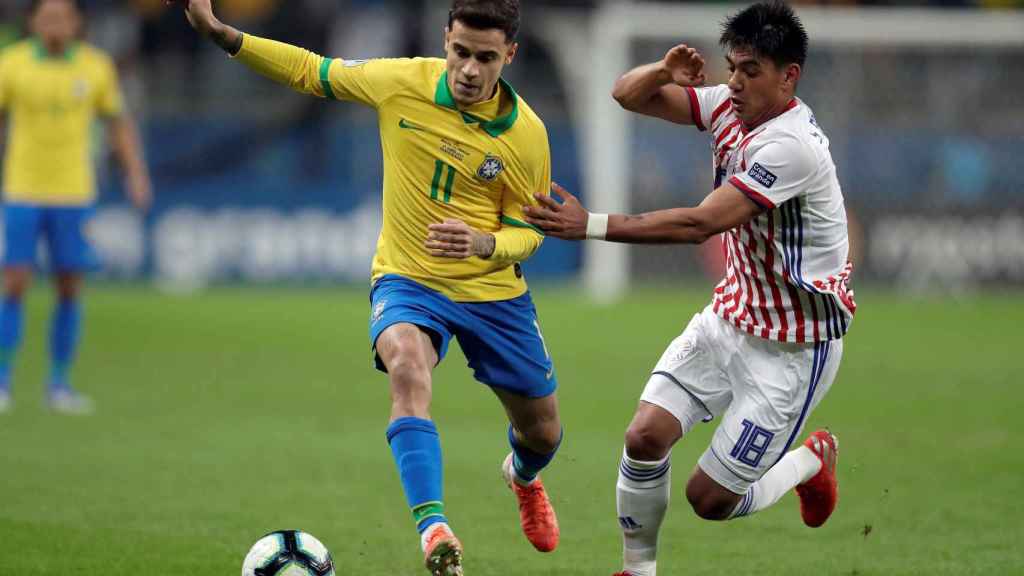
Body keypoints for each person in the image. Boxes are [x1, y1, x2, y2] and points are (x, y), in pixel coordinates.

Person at [168, 1, 561, 574]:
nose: (470, 70)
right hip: (408, 278)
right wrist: (225, 35)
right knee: (405, 363)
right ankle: (434, 528)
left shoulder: (527, 135)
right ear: (444, 40)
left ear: (510, 56)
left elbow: (528, 232)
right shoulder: (401, 82)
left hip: (492, 294)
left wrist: (485, 244)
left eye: (486, 58)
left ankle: (522, 476)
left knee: (543, 432)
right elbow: (312, 71)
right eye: (460, 52)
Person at [523, 2, 856, 574]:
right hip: (730, 316)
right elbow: (627, 95)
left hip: (793, 349)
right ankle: (637, 569)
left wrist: (592, 225)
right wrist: (659, 71)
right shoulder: (730, 104)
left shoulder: (793, 146)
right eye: (732, 67)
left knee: (710, 500)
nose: (736, 81)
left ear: (788, 76)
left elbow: (699, 223)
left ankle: (810, 462)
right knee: (644, 437)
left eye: (750, 70)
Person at [0, 0, 152, 414]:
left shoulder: (95, 67)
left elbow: (118, 123)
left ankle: (59, 384)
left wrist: (136, 174)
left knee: (69, 286)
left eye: (62, 18)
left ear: (76, 23)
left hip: (73, 191)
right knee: (14, 282)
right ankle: (2, 382)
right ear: (32, 22)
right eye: (47, 17)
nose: (55, 25)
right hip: (22, 189)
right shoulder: (11, 65)